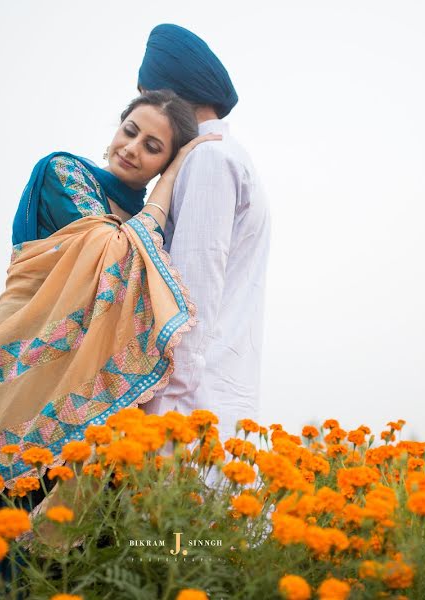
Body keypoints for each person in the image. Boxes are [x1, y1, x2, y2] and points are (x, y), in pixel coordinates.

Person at [0, 89, 219, 596]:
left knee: (57, 559)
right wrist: (169, 182)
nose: (132, 148)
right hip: (11, 378)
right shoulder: (65, 173)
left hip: (82, 405)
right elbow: (111, 253)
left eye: (153, 148)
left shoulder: (147, 227)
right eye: (130, 130)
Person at [137, 25, 272, 475]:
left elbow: (188, 305)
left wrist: (164, 429)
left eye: (146, 97)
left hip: (189, 420)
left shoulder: (209, 159)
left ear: (165, 95)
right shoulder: (220, 154)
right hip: (207, 403)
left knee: (174, 546)